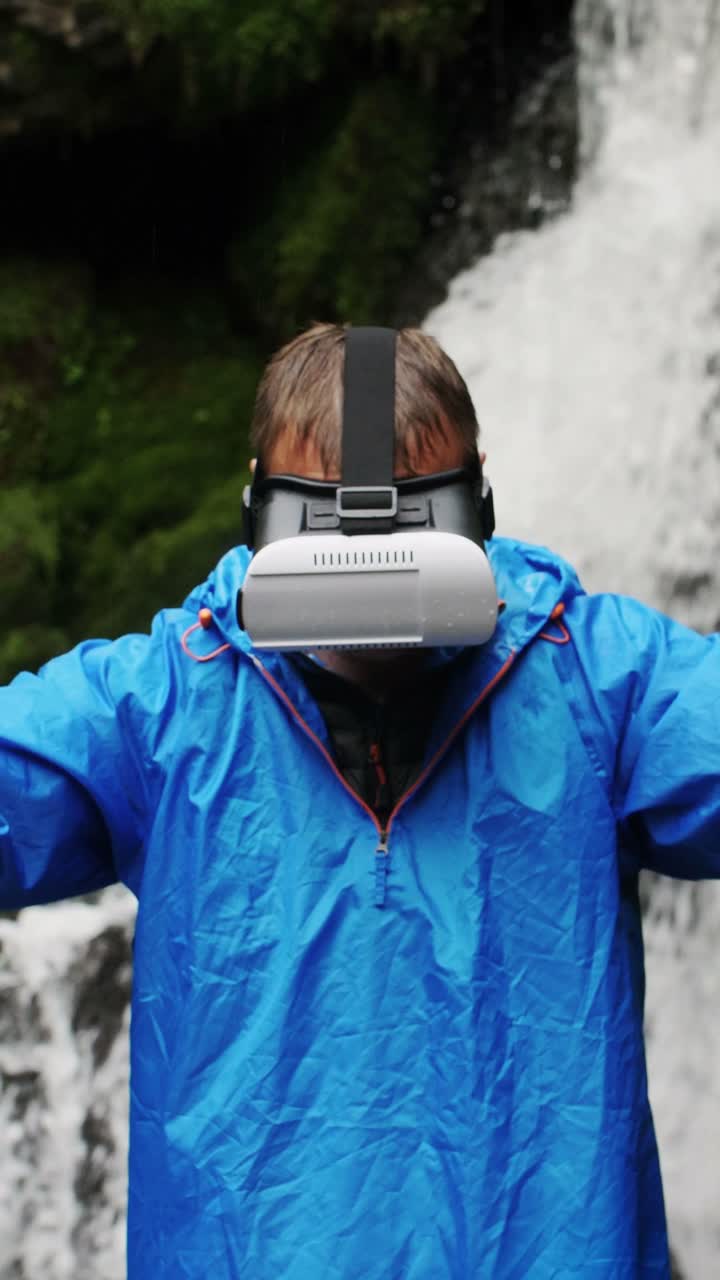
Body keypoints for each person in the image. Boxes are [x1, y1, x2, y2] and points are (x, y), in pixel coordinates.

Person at [0, 322, 718, 1279]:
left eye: (409, 524)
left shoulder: (597, 682)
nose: (369, 566)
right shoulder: (166, 704)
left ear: (481, 499)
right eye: (328, 527)